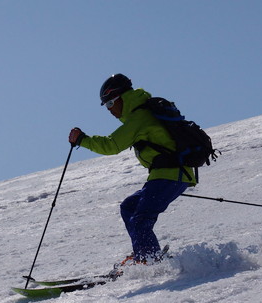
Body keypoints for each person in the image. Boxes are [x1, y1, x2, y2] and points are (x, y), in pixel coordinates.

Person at [68, 73, 196, 265]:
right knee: (129, 207)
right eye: (106, 106)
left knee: (140, 219)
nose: (109, 110)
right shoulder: (140, 114)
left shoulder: (139, 117)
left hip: (170, 174)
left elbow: (111, 145)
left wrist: (82, 140)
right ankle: (144, 256)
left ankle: (148, 261)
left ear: (121, 98)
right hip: (168, 175)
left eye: (110, 103)